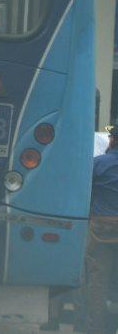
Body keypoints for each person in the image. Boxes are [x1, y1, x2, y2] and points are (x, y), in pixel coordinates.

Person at [86, 125, 118, 333]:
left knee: (97, 280)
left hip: (102, 229)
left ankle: (95, 328)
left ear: (113, 140)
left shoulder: (99, 164)